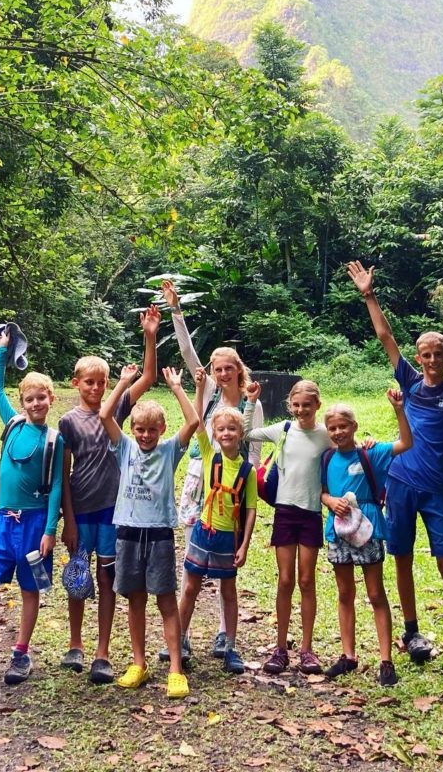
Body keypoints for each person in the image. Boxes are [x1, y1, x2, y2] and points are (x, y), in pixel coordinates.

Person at [347, 260, 443, 682]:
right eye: (424, 355)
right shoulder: (407, 381)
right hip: (401, 485)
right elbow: (386, 337)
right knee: (402, 559)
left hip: (438, 492)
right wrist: (369, 294)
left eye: (436, 355)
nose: (429, 361)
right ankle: (412, 634)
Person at [58, 304, 161, 684]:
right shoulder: (68, 421)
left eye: (101, 382)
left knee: (106, 581)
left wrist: (149, 336)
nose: (97, 388)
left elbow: (148, 375)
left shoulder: (118, 407)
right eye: (89, 383)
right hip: (80, 511)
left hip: (113, 512)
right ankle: (75, 645)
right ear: (76, 383)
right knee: (77, 576)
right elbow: (63, 474)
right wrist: (67, 518)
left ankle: (102, 651)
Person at [161, 278, 263, 659]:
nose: (221, 374)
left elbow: (252, 453)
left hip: (233, 490)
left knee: (225, 574)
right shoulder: (209, 395)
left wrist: (239, 490)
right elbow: (187, 353)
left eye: (227, 369)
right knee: (193, 563)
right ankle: (181, 636)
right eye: (217, 369)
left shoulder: (251, 404)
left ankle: (225, 635)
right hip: (198, 482)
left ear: (238, 370)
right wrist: (176, 310)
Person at [0, 329, 64, 686]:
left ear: (51, 399)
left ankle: (21, 653)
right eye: (30, 399)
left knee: (30, 590)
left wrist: (51, 530)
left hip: (36, 524)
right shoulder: (13, 424)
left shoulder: (55, 439)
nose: (36, 404)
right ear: (22, 402)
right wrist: (1, 350)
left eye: (42, 398)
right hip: (4, 521)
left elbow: (55, 486)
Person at [99, 364, 200, 699]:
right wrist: (124, 382)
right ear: (132, 429)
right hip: (127, 532)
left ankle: (175, 669)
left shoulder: (169, 450)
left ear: (161, 429)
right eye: (139, 429)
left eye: (151, 430)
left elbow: (194, 423)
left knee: (166, 601)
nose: (144, 435)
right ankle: (138, 663)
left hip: (158, 534)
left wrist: (176, 387)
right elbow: (104, 416)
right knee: (135, 600)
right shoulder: (124, 447)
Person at [320, 390, 413, 685]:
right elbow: (321, 491)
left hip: (369, 527)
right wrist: (329, 501)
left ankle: (386, 660)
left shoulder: (370, 453)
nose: (338, 433)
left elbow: (406, 442)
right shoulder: (326, 459)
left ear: (354, 427)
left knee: (375, 594)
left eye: (343, 427)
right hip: (338, 530)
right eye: (332, 428)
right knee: (345, 593)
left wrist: (399, 409)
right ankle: (348, 655)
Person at [243, 379, 330, 675]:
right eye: (296, 405)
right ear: (290, 406)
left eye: (307, 405)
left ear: (317, 405)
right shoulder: (283, 429)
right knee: (284, 580)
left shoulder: (325, 434)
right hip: (285, 511)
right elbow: (246, 432)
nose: (301, 410)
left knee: (306, 581)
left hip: (310, 513)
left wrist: (366, 442)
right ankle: (280, 648)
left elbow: (350, 447)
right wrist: (251, 402)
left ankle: (306, 649)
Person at [177, 399, 258, 674]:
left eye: (232, 429)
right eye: (221, 429)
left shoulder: (247, 471)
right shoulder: (210, 455)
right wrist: (183, 388)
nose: (226, 434)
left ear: (240, 433)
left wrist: (244, 544)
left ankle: (230, 646)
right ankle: (178, 640)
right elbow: (195, 420)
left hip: (228, 538)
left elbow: (250, 510)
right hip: (204, 532)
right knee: (190, 587)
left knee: (228, 591)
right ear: (214, 432)